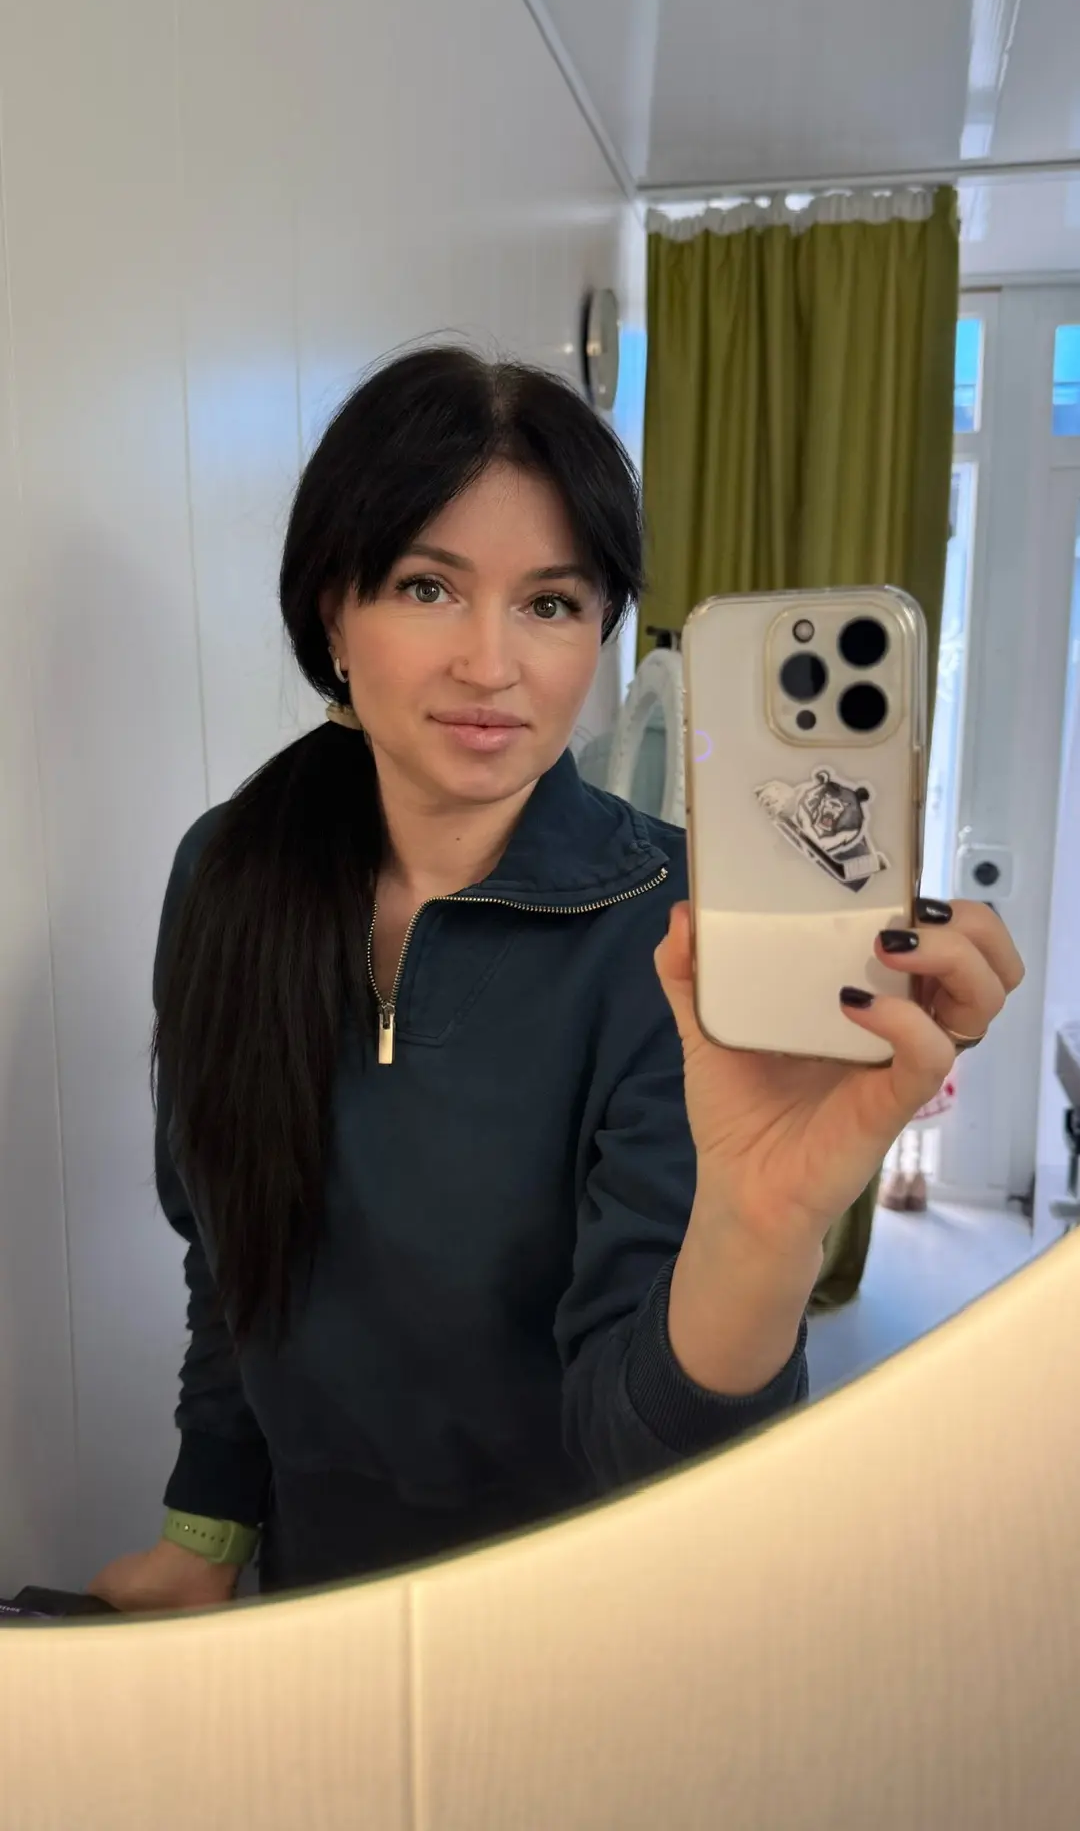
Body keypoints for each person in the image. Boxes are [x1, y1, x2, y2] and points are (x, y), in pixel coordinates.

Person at [90, 346, 1024, 1610]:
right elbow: (227, 1257)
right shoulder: (228, 872)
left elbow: (642, 1454)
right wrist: (205, 1535)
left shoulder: (677, 939)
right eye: (428, 587)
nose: (492, 665)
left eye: (551, 604)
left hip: (583, 1624)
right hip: (313, 1607)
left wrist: (763, 1230)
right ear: (332, 613)